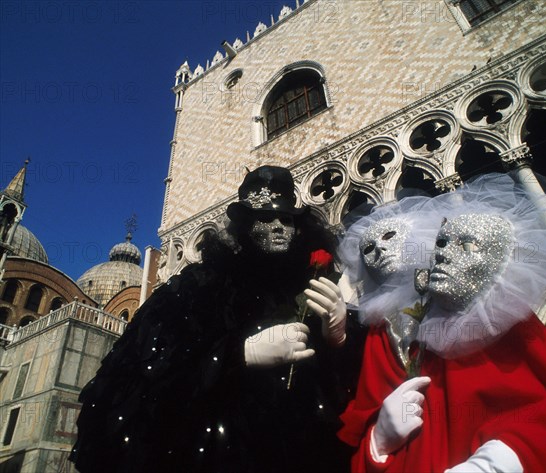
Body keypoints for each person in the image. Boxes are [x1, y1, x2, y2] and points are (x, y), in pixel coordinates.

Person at [70, 165, 364, 473]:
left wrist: (339, 336)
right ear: (246, 226)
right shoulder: (200, 285)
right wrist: (237, 355)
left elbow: (345, 390)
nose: (278, 226)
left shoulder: (311, 287)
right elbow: (148, 374)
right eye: (265, 218)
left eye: (286, 219)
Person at [338, 173, 546, 472]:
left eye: (389, 237)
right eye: (368, 249)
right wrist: (379, 440)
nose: (381, 251)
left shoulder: (487, 306)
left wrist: (496, 463)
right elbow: (365, 420)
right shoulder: (381, 335)